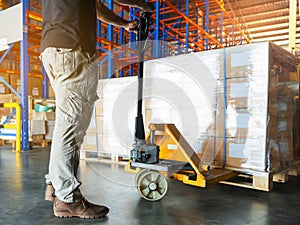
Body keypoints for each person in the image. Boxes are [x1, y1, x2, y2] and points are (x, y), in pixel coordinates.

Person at [40, 0, 153, 219]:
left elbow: (95, 6)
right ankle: (67, 199)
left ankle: (55, 185)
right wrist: (143, 4)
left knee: (66, 124)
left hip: (53, 49)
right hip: (73, 48)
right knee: (71, 127)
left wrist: (124, 24)